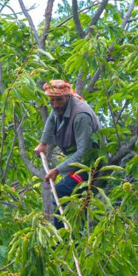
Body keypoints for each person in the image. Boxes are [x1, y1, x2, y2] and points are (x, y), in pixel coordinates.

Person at [34, 80, 101, 229]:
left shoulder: (80, 116)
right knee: (68, 197)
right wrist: (43, 143)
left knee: (61, 190)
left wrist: (57, 170)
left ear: (68, 97)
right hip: (76, 160)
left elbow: (84, 153)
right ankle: (67, 235)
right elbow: (51, 121)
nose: (55, 104)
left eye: (59, 100)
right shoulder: (57, 107)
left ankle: (64, 239)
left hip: (91, 163)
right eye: (52, 100)